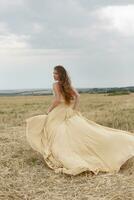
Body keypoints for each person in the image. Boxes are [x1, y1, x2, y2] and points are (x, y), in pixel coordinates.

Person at [25, 65, 134, 176]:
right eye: (53, 73)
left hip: (58, 112)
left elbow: (57, 100)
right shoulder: (67, 85)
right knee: (81, 132)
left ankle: (63, 154)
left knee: (54, 132)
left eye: (56, 73)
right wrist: (74, 109)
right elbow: (77, 96)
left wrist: (48, 110)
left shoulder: (56, 85)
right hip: (68, 111)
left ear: (61, 74)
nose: (54, 75)